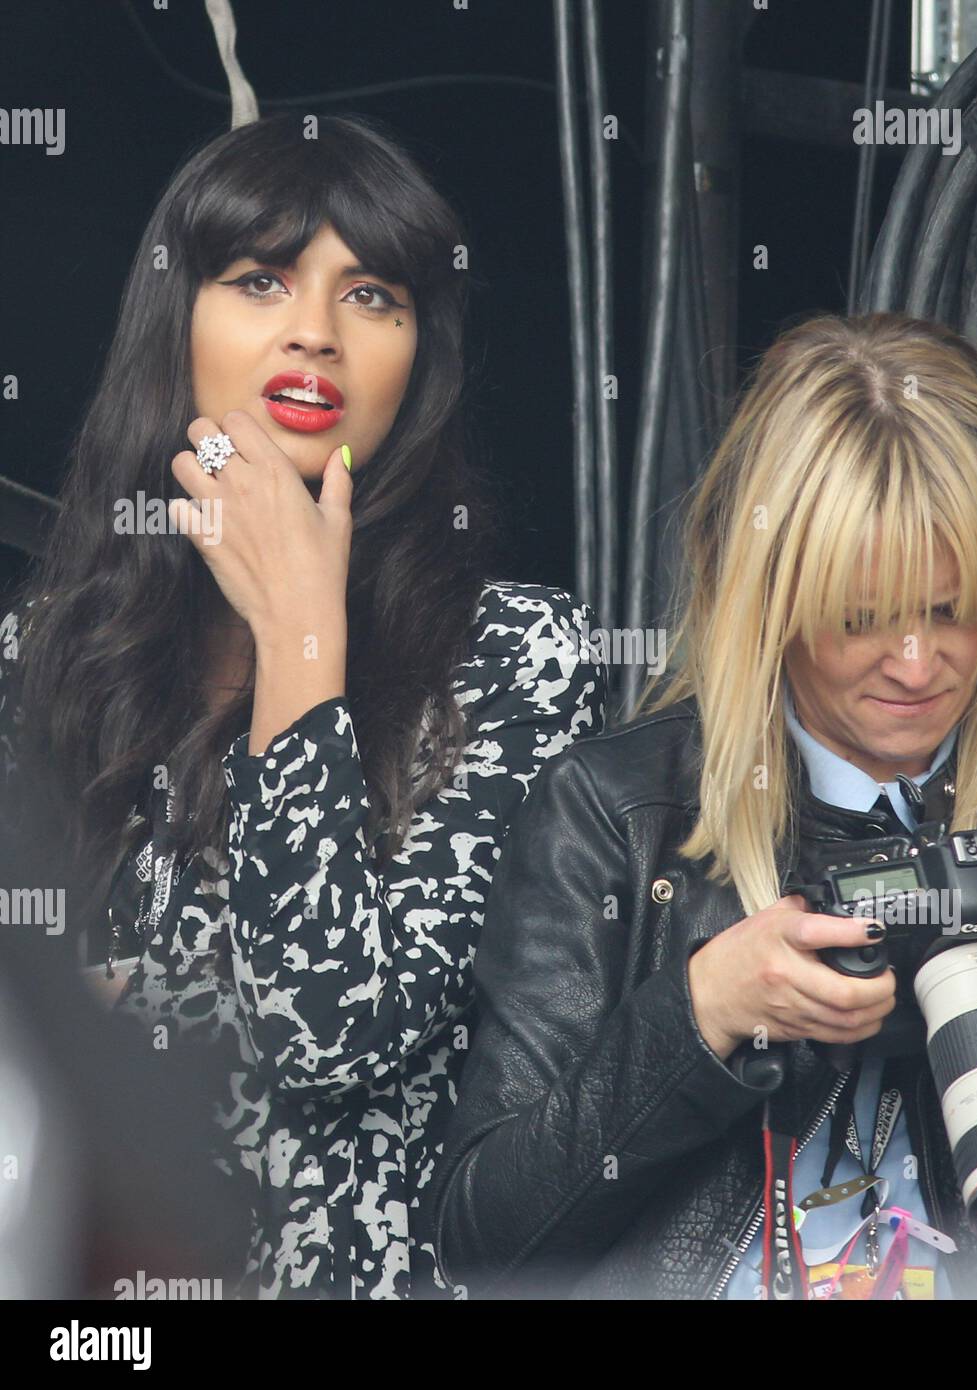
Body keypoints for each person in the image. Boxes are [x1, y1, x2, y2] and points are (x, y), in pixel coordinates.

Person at [433, 312, 977, 1300]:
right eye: (864, 617)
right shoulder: (619, 815)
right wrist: (703, 1014)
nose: (917, 664)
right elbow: (481, 1243)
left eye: (950, 607)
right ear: (768, 595)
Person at [0, 112, 606, 1300]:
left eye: (373, 295)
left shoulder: (515, 654)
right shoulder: (44, 657)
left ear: (418, 359)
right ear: (175, 326)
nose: (315, 333)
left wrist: (298, 630)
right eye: (262, 278)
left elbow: (331, 1035)